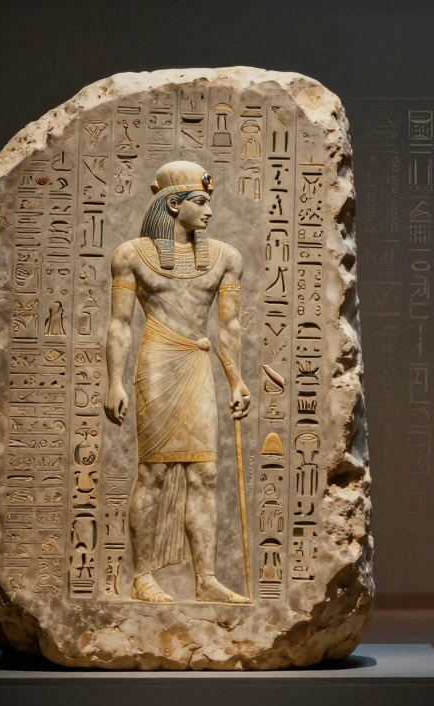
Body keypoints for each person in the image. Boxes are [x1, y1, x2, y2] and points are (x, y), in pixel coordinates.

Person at [104, 160, 251, 603]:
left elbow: (229, 327)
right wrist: (114, 382)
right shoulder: (131, 255)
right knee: (153, 471)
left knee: (205, 472)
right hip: (157, 362)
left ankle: (205, 579)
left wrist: (236, 380)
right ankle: (142, 576)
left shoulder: (225, 257)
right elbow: (119, 325)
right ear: (173, 204)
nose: (209, 212)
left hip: (197, 364)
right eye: (201, 202)